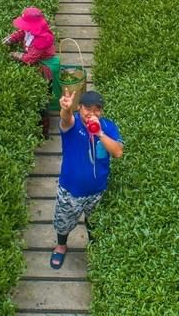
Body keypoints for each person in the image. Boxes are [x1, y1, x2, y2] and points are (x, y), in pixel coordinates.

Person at [50, 89, 123, 270]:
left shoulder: (108, 127)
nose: (92, 113)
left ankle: (94, 248)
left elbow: (118, 152)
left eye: (97, 109)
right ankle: (61, 245)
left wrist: (99, 133)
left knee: (94, 222)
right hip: (71, 190)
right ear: (79, 108)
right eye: (87, 108)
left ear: (102, 111)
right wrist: (66, 109)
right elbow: (66, 120)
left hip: (97, 191)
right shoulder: (73, 124)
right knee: (63, 221)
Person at [2, 7, 61, 135]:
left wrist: (14, 54)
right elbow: (22, 32)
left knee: (43, 97)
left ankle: (44, 129)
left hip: (46, 68)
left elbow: (30, 59)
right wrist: (9, 39)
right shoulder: (31, 30)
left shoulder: (42, 38)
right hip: (38, 63)